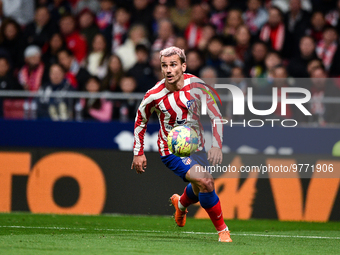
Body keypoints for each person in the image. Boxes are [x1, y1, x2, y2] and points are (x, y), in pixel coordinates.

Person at [131, 46, 232, 243]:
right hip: (171, 149)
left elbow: (216, 116)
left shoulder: (198, 86)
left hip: (198, 147)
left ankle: (181, 204)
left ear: (183, 66)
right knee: (206, 182)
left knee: (198, 188)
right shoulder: (154, 95)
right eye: (164, 66)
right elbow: (140, 120)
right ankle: (223, 231)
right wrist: (138, 152)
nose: (168, 70)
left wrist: (216, 145)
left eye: (173, 65)